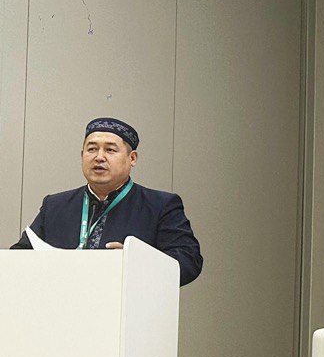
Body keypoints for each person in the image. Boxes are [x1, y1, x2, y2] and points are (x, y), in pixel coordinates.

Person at [11, 117, 203, 286]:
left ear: (132, 158)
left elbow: (189, 261)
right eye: (92, 149)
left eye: (110, 150)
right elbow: (17, 257)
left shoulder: (160, 205)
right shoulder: (55, 205)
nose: (99, 157)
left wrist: (139, 262)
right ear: (82, 155)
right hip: (61, 306)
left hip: (129, 309)